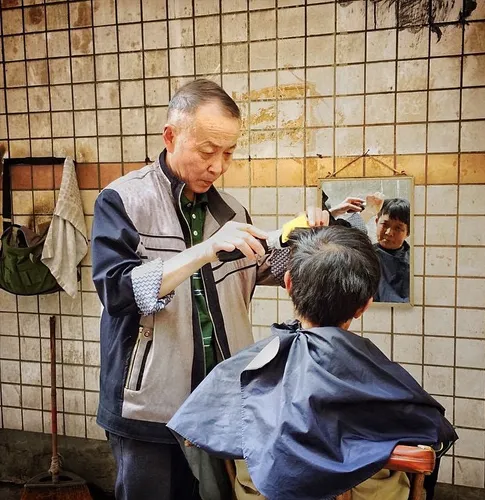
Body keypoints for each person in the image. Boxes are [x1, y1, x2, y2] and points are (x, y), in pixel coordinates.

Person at [91, 79, 329, 500]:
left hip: (220, 401)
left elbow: (265, 267)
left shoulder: (231, 210)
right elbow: (116, 290)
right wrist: (202, 251)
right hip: (148, 404)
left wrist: (312, 237)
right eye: (207, 151)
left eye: (229, 153)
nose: (218, 165)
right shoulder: (123, 200)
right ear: (170, 136)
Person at [168, 225, 457, 500]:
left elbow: (200, 425)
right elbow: (432, 432)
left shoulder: (247, 365)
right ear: (365, 304)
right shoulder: (373, 372)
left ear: (289, 283)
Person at [373, 198, 410, 303]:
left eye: (398, 228)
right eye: (385, 224)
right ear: (376, 222)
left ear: (408, 232)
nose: (389, 232)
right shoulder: (364, 255)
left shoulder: (416, 261)